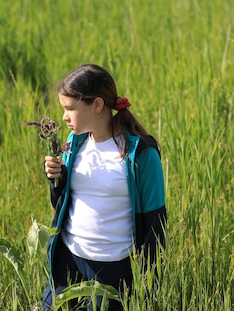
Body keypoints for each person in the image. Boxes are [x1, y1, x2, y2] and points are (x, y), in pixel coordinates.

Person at [41, 64, 167, 310]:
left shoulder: (140, 154)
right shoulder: (73, 144)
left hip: (113, 271)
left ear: (97, 105)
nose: (64, 117)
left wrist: (148, 285)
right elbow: (61, 204)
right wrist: (56, 180)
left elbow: (156, 223)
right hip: (68, 261)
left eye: (70, 109)